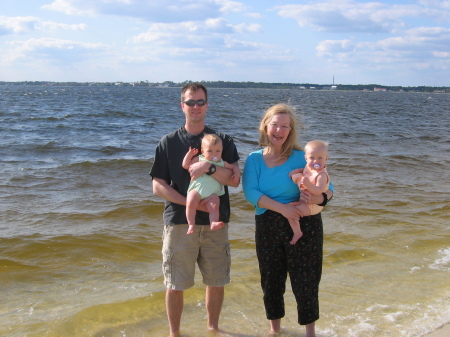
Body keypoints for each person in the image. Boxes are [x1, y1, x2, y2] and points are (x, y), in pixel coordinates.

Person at [150, 83, 240, 337]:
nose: (196, 107)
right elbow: (158, 185)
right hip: (179, 222)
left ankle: (213, 330)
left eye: (200, 102)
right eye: (191, 102)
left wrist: (208, 168)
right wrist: (190, 203)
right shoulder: (168, 142)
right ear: (182, 105)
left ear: (207, 105)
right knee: (175, 283)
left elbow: (234, 180)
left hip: (216, 222)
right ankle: (174, 334)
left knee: (217, 281)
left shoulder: (222, 141)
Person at [242, 103, 333, 337]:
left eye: (285, 126)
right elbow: (251, 193)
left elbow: (328, 189)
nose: (279, 130)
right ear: (265, 126)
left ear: (291, 130)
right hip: (269, 224)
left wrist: (319, 198)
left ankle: (310, 333)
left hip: (305, 224)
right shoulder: (254, 159)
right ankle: (275, 331)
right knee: (271, 281)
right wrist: (283, 209)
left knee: (306, 283)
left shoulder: (303, 156)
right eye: (275, 125)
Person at [182, 134, 240, 234]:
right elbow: (185, 165)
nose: (214, 154)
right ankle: (191, 224)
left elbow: (234, 167)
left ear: (222, 151)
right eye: (210, 151)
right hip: (197, 190)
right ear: (203, 151)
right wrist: (189, 154)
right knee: (190, 201)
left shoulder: (222, 162)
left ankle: (213, 223)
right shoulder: (199, 159)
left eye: (218, 151)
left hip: (212, 193)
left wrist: (236, 174)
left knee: (215, 205)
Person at [289, 140, 330, 245]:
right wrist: (297, 171)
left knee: (291, 214)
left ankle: (297, 232)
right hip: (305, 200)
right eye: (312, 158)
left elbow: (318, 191)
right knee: (288, 207)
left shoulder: (321, 175)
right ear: (306, 158)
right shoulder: (309, 167)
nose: (316, 161)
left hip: (312, 206)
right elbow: (304, 170)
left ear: (326, 159)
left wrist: (308, 185)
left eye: (320, 158)